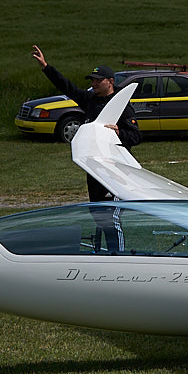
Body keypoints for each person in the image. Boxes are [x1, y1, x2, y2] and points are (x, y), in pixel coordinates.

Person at [32, 45, 142, 252]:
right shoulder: (90, 100)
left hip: (115, 171)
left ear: (110, 82)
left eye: (97, 80)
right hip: (94, 169)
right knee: (98, 214)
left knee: (112, 216)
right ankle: (104, 252)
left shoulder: (122, 106)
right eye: (91, 80)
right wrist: (46, 67)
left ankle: (117, 255)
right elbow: (67, 87)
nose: (93, 84)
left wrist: (119, 132)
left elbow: (136, 136)